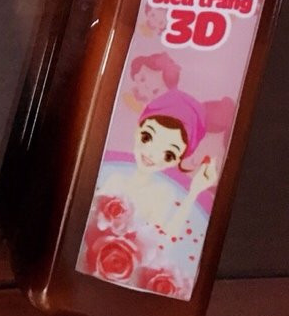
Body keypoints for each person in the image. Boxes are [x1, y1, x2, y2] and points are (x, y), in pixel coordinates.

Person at [98, 89, 230, 235]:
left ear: (177, 160)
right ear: (137, 130)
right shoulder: (114, 178)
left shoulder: (162, 193)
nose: (152, 154)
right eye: (147, 137)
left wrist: (194, 192)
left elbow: (165, 237)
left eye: (168, 155)